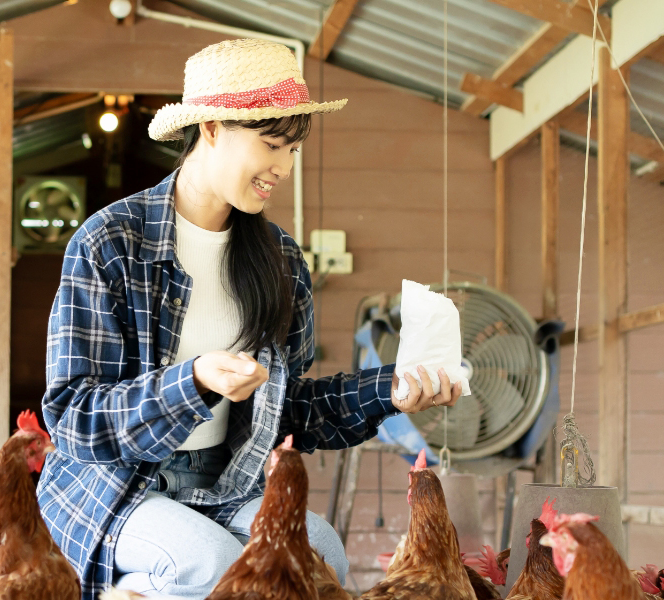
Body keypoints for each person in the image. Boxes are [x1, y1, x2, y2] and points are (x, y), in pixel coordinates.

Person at [37, 38, 462, 600]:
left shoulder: (280, 259)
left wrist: (389, 391)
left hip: (224, 484)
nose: (284, 167)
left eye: (292, 150)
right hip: (113, 485)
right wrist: (191, 382)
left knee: (319, 556)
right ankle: (130, 590)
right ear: (211, 128)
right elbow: (72, 418)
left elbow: (292, 413)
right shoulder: (111, 241)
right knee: (210, 566)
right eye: (271, 144)